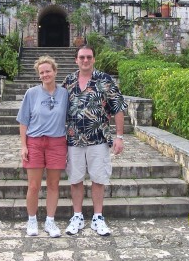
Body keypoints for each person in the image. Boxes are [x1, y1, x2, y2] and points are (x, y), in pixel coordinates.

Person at [62, 45, 128, 236]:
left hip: (98, 139)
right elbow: (60, 110)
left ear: (94, 59)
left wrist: (119, 137)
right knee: (75, 179)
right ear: (76, 60)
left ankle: (98, 217)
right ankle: (77, 216)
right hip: (73, 140)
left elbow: (118, 107)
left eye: (89, 57)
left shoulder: (105, 80)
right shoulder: (69, 81)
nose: (85, 60)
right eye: (82, 57)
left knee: (98, 178)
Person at [16, 56, 68, 238]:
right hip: (35, 142)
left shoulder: (64, 94)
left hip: (57, 142)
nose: (45, 74)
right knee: (33, 185)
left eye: (48, 71)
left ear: (55, 71)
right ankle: (32, 220)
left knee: (54, 184)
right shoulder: (31, 94)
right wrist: (23, 145)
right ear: (39, 75)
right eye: (42, 72)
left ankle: (50, 221)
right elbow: (23, 121)